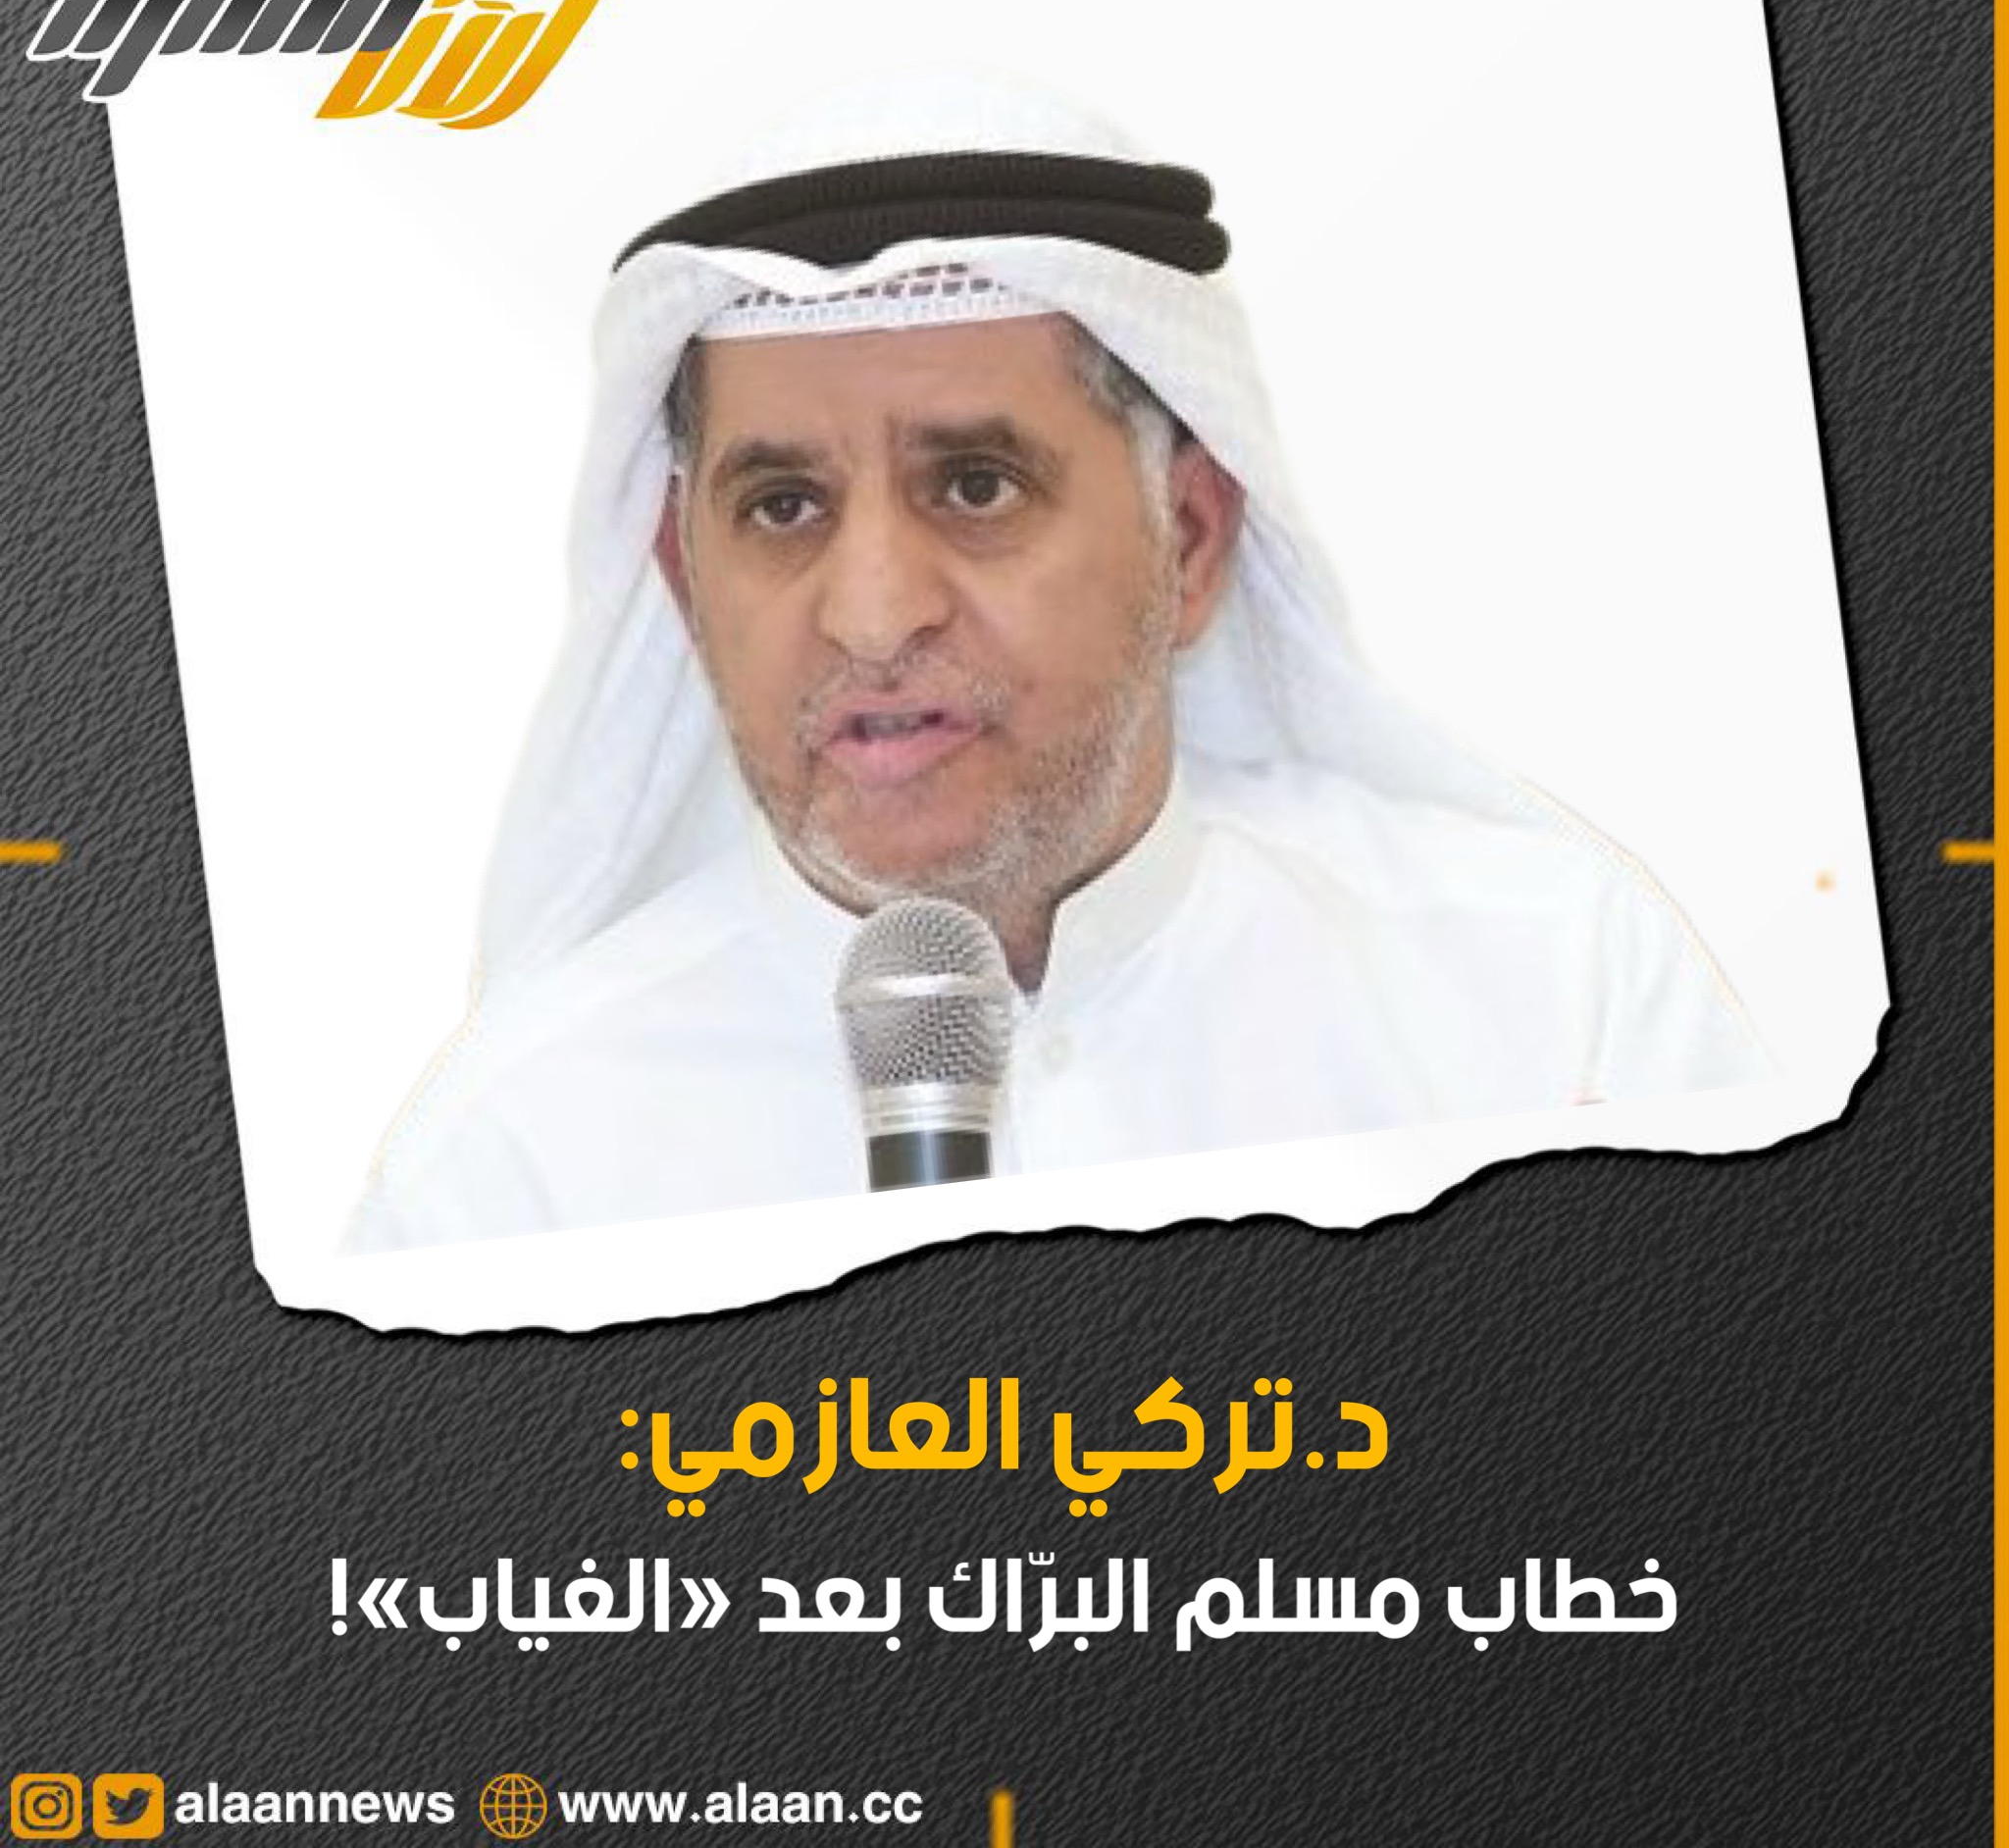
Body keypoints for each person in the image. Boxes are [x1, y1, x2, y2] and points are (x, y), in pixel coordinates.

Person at [347, 73, 1767, 1252]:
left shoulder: (1557, 1008)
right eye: (782, 508)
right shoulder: (516, 1172)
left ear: (1189, 539)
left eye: (976, 486)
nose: (873, 616)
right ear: (684, 581)